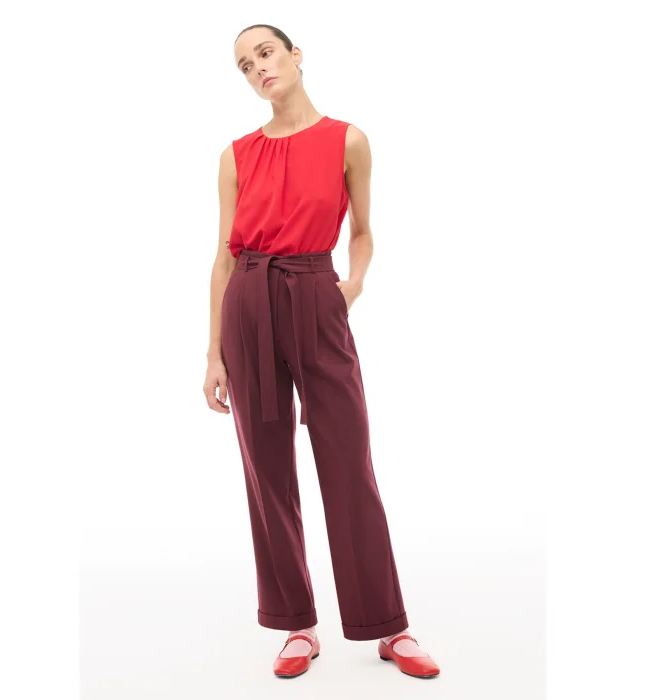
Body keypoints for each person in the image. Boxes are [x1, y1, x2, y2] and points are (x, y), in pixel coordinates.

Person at [203, 23, 441, 680]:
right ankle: (296, 625)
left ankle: (388, 626)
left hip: (316, 292)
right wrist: (213, 354)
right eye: (245, 65)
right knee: (267, 470)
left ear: (295, 55)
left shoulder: (347, 140)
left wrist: (352, 285)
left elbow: (362, 231)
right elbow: (222, 259)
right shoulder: (236, 155)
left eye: (266, 53)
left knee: (348, 461)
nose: (258, 68)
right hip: (249, 301)